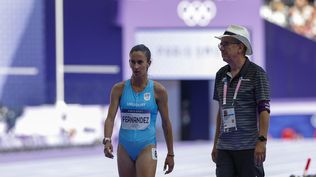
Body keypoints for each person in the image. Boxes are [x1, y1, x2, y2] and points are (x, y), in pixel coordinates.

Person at [103, 44, 175, 177]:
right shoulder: (118, 89)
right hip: (124, 147)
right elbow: (110, 117)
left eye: (140, 62)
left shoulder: (158, 91)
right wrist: (107, 139)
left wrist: (170, 153)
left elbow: (166, 124)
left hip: (147, 146)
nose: (136, 66)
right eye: (132, 62)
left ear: (149, 63)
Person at [211, 25, 271, 177]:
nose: (221, 48)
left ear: (240, 47)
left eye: (225, 44)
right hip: (225, 148)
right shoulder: (220, 74)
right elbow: (221, 111)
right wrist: (216, 143)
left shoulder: (257, 73)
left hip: (249, 148)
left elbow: (264, 110)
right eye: (221, 44)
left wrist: (262, 141)